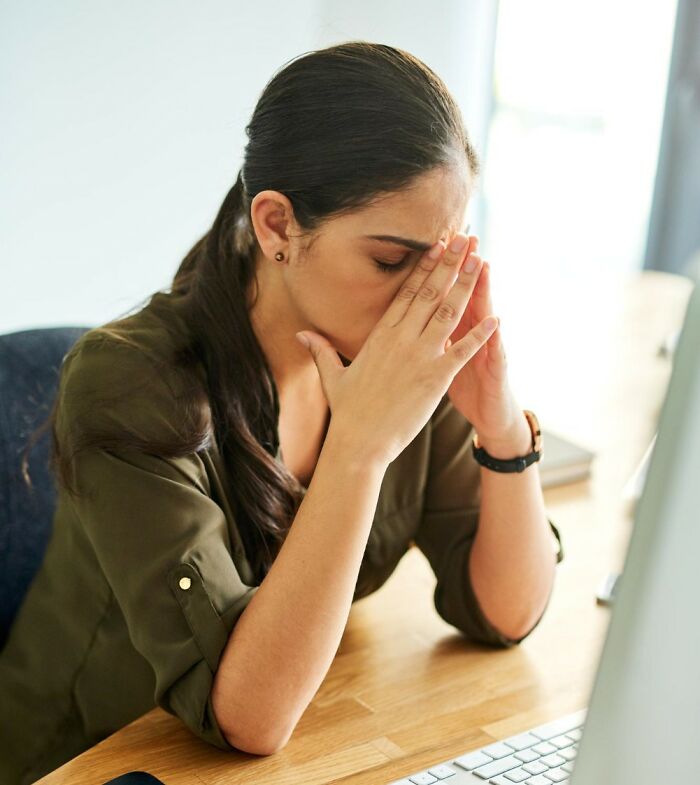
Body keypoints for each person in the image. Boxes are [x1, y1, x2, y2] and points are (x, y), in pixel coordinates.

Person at [0, 40, 563, 784]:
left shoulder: (398, 360)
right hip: (101, 761)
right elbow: (250, 717)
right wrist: (359, 450)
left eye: (440, 260)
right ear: (276, 227)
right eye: (393, 261)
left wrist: (499, 426)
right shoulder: (130, 383)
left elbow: (508, 612)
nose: (423, 301)